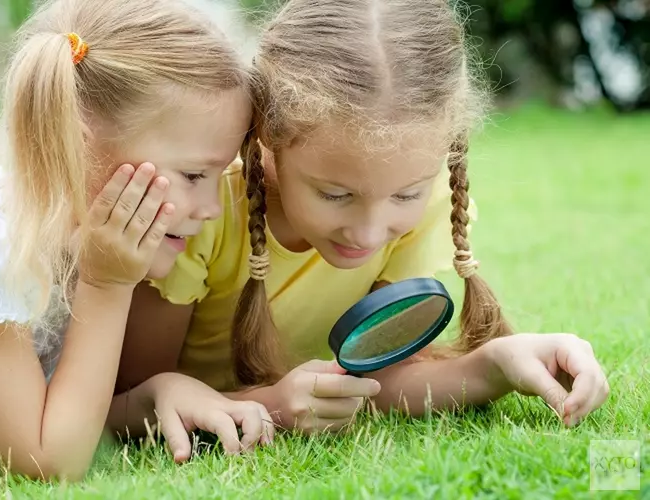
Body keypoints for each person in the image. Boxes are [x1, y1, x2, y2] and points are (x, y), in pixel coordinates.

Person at [114, 0, 610, 435]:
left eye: (406, 194)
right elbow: (133, 393)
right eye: (334, 194)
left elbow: (382, 380)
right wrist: (268, 405)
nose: (370, 233)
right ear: (268, 134)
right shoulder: (204, 208)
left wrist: (496, 365)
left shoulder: (432, 202)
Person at [0, 0, 274, 482]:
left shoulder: (81, 237)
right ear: (77, 147)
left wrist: (157, 393)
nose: (211, 209)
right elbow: (45, 463)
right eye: (192, 174)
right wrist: (106, 287)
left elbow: (59, 414)